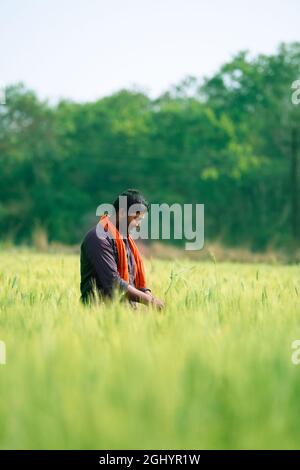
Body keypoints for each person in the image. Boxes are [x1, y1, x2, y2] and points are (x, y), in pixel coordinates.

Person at [80, 189, 164, 309]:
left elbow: (134, 282)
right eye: (136, 218)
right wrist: (151, 301)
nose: (138, 225)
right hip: (99, 315)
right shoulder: (99, 238)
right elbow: (113, 283)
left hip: (124, 316)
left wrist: (151, 298)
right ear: (123, 213)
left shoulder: (125, 241)